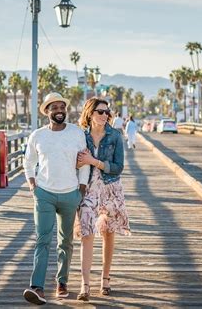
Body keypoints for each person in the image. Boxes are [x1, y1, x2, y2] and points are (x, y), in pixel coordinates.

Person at [22, 92, 90, 305]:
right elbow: (28, 161)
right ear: (47, 111)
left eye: (62, 107)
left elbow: (84, 162)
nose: (59, 110)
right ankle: (37, 287)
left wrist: (81, 189)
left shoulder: (77, 133)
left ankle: (62, 281)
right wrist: (33, 185)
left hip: (70, 193)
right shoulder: (38, 136)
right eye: (54, 107)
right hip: (45, 194)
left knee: (66, 242)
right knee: (42, 240)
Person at [74, 97, 131, 301]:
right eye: (100, 111)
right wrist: (81, 163)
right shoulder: (81, 136)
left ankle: (105, 279)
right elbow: (74, 161)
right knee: (87, 232)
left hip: (111, 187)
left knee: (108, 232)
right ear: (90, 113)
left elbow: (118, 167)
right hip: (88, 188)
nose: (104, 115)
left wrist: (94, 161)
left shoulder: (115, 136)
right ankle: (85, 284)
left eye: (107, 112)